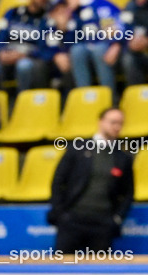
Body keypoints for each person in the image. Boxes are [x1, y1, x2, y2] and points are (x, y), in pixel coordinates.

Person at [48, 108, 134, 253]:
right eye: (113, 122)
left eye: (120, 123)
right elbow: (58, 181)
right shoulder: (78, 148)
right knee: (63, 270)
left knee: (100, 272)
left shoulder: (122, 157)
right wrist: (60, 212)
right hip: (72, 220)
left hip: (103, 224)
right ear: (100, 122)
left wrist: (117, 218)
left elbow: (128, 192)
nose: (117, 127)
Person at [123, 0, 148, 86]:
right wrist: (130, 42)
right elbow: (122, 29)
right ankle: (138, 94)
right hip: (135, 51)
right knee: (128, 59)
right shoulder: (130, 7)